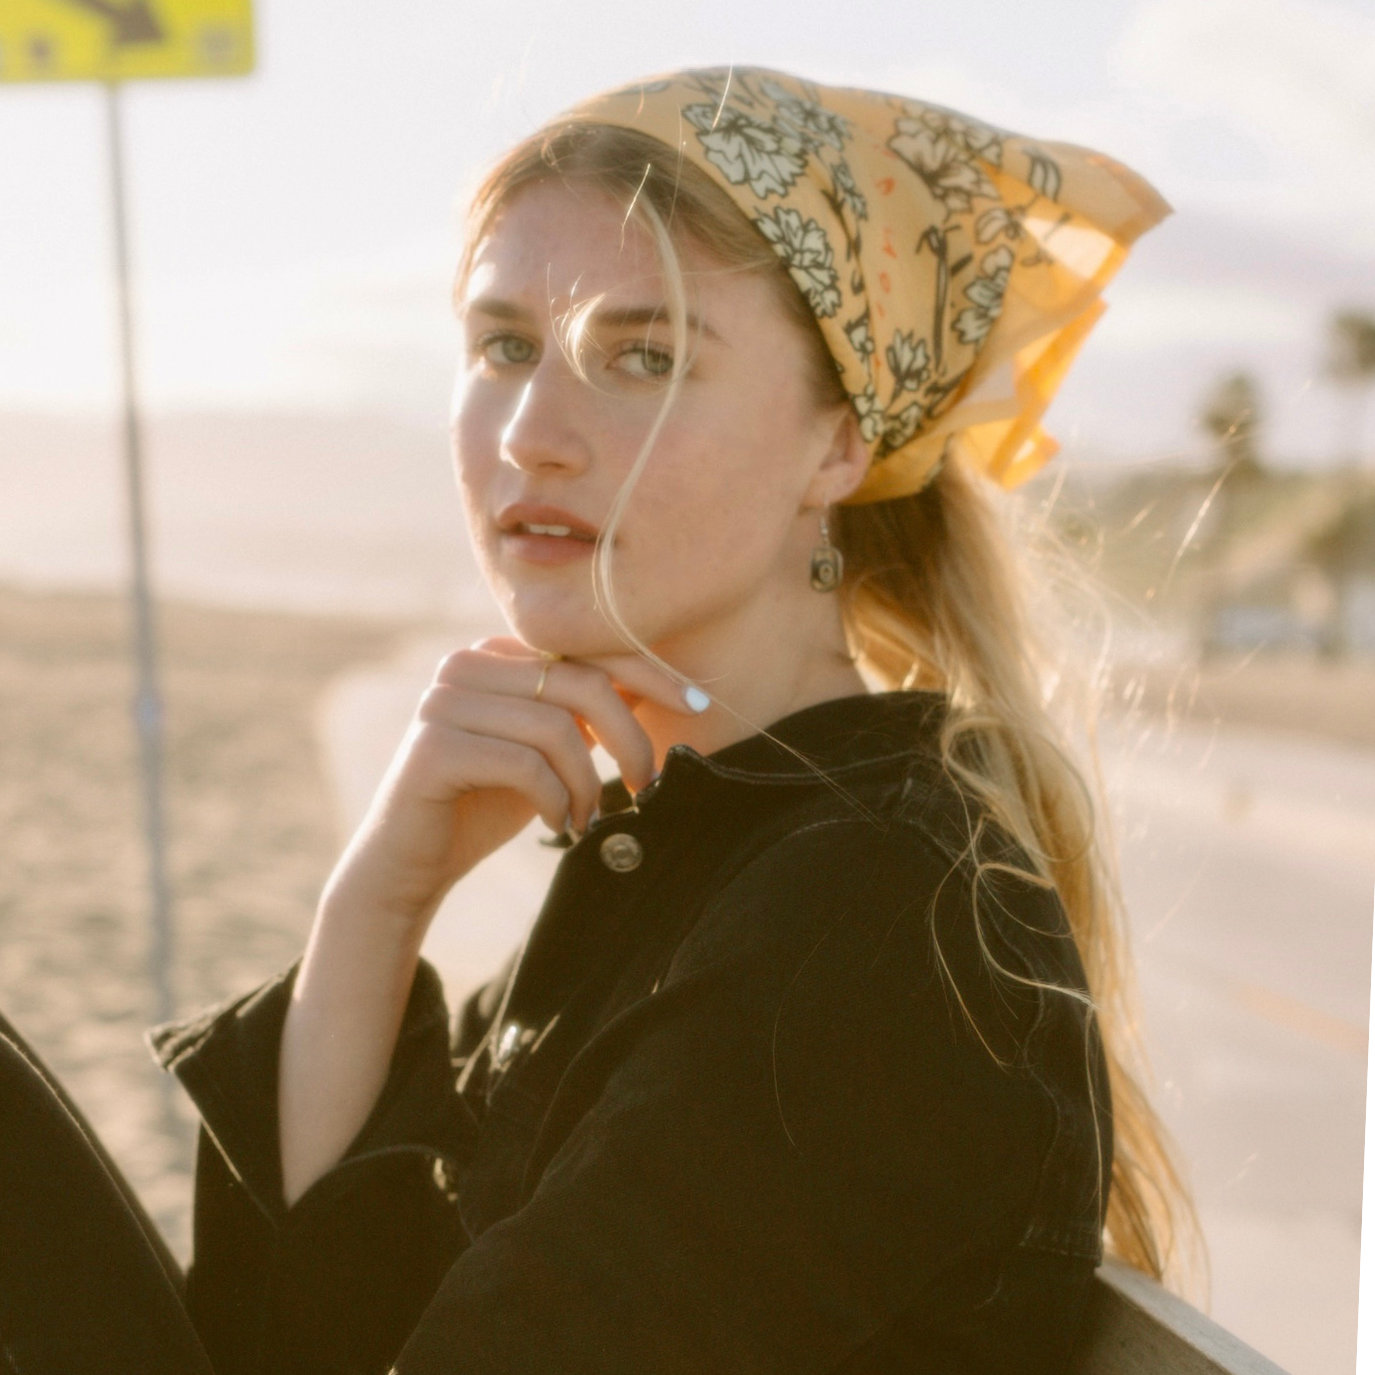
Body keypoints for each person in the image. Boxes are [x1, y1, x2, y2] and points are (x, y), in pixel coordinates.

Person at [0, 67, 1190, 1374]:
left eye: (646, 355)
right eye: (503, 345)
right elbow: (297, 1342)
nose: (532, 432)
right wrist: (376, 905)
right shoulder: (698, 847)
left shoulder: (875, 911)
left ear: (837, 444)